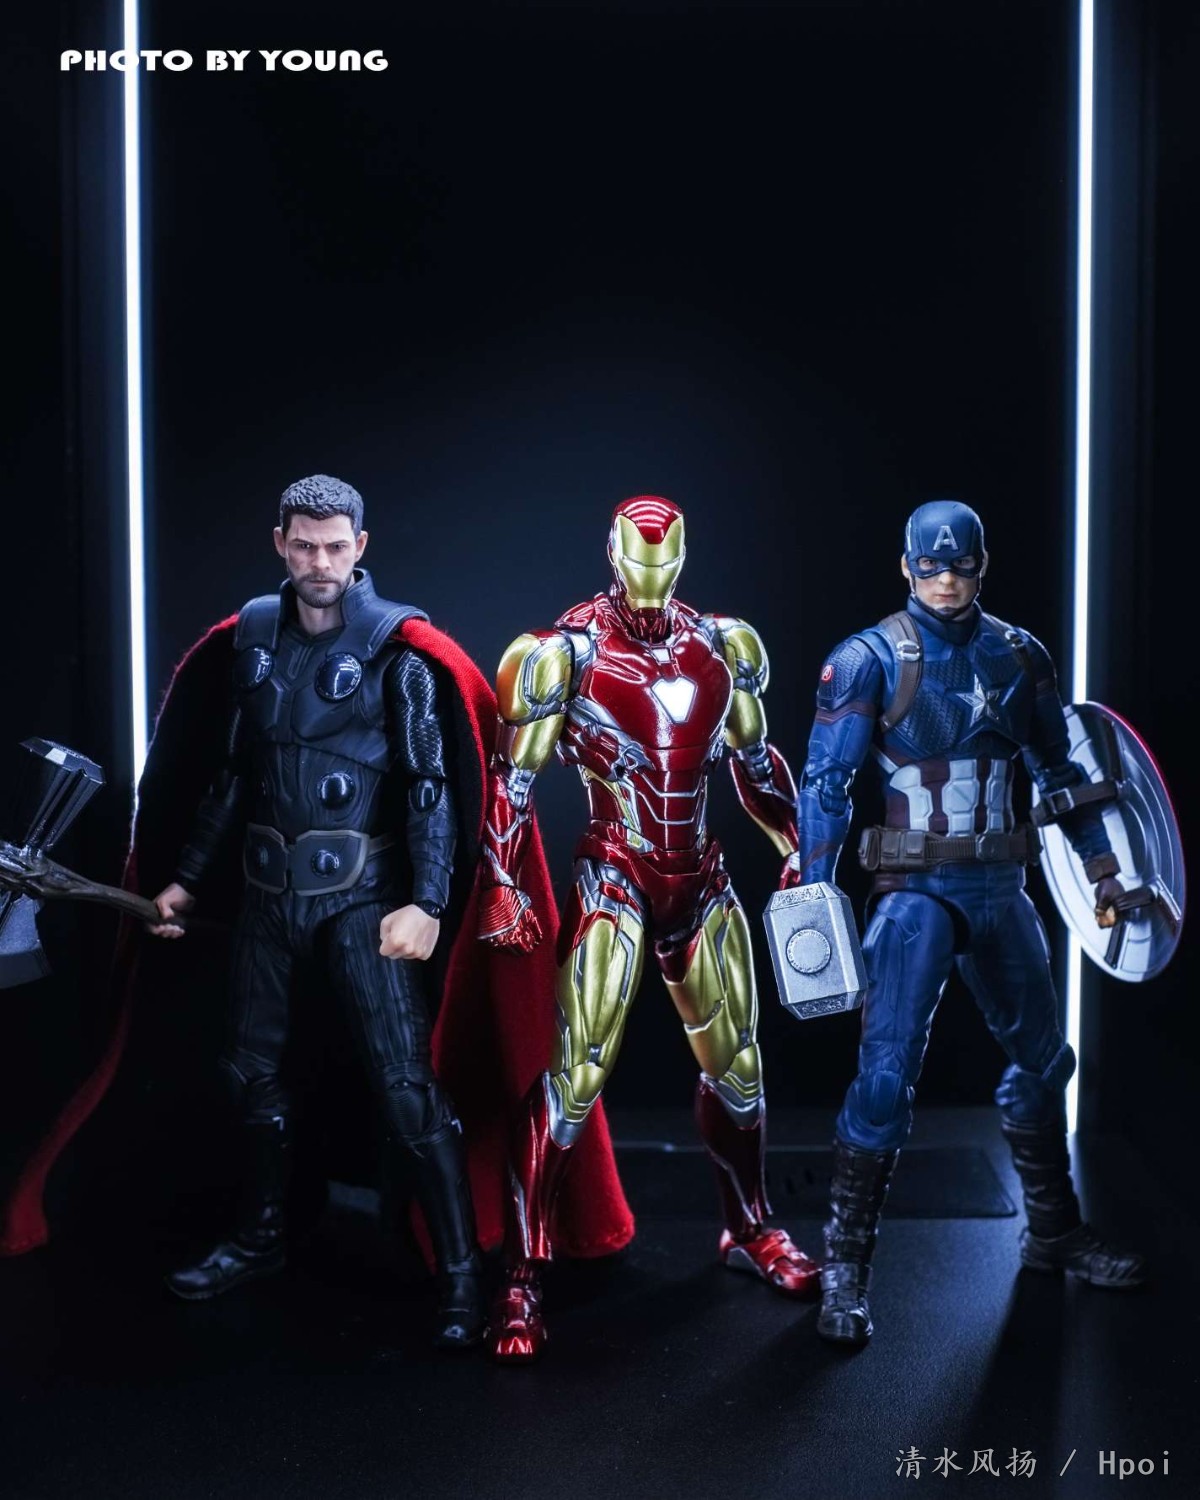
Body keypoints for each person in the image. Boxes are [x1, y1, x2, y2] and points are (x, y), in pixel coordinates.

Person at [794, 498, 1145, 1348]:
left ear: (982, 566)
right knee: (885, 1081)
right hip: (916, 895)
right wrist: (814, 893)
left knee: (1045, 1063)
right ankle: (846, 1268)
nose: (946, 582)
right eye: (931, 568)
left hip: (1001, 888)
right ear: (906, 567)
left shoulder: (1018, 653)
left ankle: (1053, 1229)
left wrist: (1104, 869)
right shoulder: (868, 659)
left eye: (960, 567)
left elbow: (1061, 772)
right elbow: (826, 786)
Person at [477, 493, 820, 1361]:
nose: (650, 580)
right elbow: (510, 785)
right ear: (614, 553)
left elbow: (754, 763)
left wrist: (797, 846)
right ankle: (523, 1274)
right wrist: (502, 887)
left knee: (741, 1067)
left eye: (664, 565)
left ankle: (749, 1227)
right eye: (638, 561)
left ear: (682, 559)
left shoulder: (724, 647)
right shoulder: (563, 655)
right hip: (617, 872)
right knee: (578, 1072)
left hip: (699, 874)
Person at [149, 474, 485, 1345]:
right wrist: (188, 878)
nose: (321, 561)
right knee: (247, 1074)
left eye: (336, 545)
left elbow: (431, 789)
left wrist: (428, 902)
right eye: (305, 545)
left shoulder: (398, 654)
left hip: (363, 899)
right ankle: (262, 1237)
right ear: (281, 544)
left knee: (405, 1092)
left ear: (360, 546)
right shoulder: (254, 638)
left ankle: (460, 1274)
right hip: (267, 895)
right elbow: (234, 776)